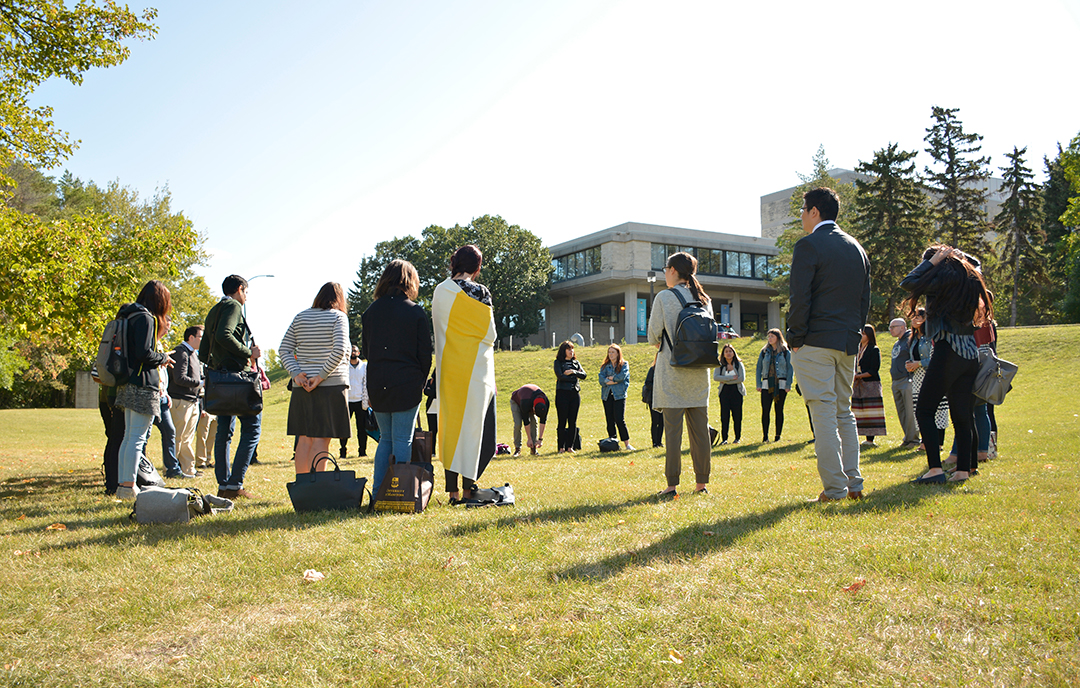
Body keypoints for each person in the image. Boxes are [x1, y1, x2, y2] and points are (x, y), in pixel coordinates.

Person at [787, 187, 871, 502]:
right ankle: (854, 484)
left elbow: (800, 297)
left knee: (822, 413)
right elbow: (864, 300)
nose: (801, 216)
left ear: (814, 212)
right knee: (843, 413)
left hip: (814, 342)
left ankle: (835, 489)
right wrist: (854, 335)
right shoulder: (857, 248)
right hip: (846, 343)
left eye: (803, 210)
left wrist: (795, 337)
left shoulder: (809, 245)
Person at [901, 245, 992, 484]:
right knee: (962, 414)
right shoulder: (970, 280)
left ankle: (934, 469)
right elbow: (977, 263)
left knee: (924, 410)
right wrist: (958, 255)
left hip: (946, 349)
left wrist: (932, 262)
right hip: (969, 353)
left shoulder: (939, 281)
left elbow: (908, 282)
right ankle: (964, 469)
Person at [432, 245, 497, 504]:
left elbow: (439, 329)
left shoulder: (440, 291)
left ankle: (453, 492)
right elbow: (489, 333)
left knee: (450, 427)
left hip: (449, 367)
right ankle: (470, 489)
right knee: (472, 428)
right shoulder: (481, 292)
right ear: (477, 268)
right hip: (476, 369)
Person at [362, 261, 432, 496]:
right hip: (406, 382)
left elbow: (366, 351)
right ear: (410, 281)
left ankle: (377, 493)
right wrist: (420, 382)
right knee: (403, 439)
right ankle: (401, 493)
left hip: (378, 382)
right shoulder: (415, 311)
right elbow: (425, 353)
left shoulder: (370, 312)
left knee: (386, 440)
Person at [647, 251, 712, 498]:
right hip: (699, 372)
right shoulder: (705, 299)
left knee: (672, 433)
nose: (664, 272)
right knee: (700, 433)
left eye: (666, 268)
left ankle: (672, 485)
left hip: (672, 372)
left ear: (673, 270)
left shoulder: (664, 296)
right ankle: (701, 484)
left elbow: (653, 336)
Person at [200, 274, 263, 500]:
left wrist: (219, 365)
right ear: (239, 289)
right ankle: (235, 483)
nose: (246, 297)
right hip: (238, 378)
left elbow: (202, 351)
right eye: (246, 292)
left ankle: (224, 484)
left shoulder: (213, 311)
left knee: (224, 433)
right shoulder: (234, 306)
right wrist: (249, 353)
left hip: (220, 380)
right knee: (252, 428)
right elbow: (224, 335)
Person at [280, 282, 351, 475]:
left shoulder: (300, 317)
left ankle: (303, 486)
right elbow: (339, 350)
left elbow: (284, 349)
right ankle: (319, 485)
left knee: (304, 438)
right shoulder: (339, 317)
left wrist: (296, 374)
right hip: (330, 384)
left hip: (302, 386)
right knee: (322, 438)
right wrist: (320, 377)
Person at [113, 280, 174, 501]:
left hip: (128, 380)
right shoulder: (147, 318)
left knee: (129, 437)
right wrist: (163, 358)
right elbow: (145, 354)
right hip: (143, 384)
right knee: (137, 437)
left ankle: (124, 484)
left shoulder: (128, 316)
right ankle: (128, 486)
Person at [906, 308, 948, 452]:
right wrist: (911, 364)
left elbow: (938, 358)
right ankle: (925, 441)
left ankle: (938, 443)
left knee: (938, 409)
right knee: (920, 409)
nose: (913, 319)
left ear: (926, 319)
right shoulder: (914, 338)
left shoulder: (932, 336)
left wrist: (919, 363)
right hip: (917, 378)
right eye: (912, 316)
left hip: (933, 375)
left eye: (917, 316)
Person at [168, 325, 204, 477]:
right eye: (200, 337)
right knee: (177, 437)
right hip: (180, 401)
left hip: (192, 401)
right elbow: (179, 378)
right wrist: (199, 383)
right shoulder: (181, 353)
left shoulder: (193, 354)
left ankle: (188, 469)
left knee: (187, 438)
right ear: (191, 337)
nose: (203, 340)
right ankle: (172, 469)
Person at [887, 317, 921, 449]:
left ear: (902, 327)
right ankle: (907, 437)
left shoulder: (910, 339)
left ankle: (914, 439)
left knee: (910, 411)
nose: (890, 330)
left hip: (907, 379)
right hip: (896, 380)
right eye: (890, 327)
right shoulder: (898, 343)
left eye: (893, 327)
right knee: (901, 411)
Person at [755, 328, 793, 443]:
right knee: (765, 409)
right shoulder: (764, 351)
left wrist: (788, 384)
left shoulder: (785, 351)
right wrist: (758, 383)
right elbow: (759, 368)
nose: (770, 338)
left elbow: (790, 369)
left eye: (772, 336)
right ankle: (765, 436)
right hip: (767, 383)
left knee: (779, 410)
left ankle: (777, 436)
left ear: (778, 337)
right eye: (769, 336)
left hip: (781, 384)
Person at [852, 324, 886, 447]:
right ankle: (857, 436)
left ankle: (870, 439)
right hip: (858, 385)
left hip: (871, 384)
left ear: (869, 335)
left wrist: (858, 376)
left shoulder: (874, 349)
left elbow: (873, 370)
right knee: (858, 411)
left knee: (871, 411)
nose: (861, 336)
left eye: (864, 334)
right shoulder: (856, 350)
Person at [553, 341, 587, 453]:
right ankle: (561, 447)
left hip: (574, 393)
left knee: (573, 421)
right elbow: (560, 376)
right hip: (562, 394)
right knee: (562, 421)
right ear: (564, 351)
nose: (571, 351)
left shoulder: (576, 363)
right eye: (569, 349)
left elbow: (584, 375)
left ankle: (570, 447)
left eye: (572, 349)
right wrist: (574, 376)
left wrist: (572, 372)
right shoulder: (558, 363)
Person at [599, 344, 634, 450]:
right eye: (609, 352)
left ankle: (627, 444)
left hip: (619, 396)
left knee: (619, 419)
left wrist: (611, 379)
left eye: (613, 352)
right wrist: (613, 381)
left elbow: (621, 377)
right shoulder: (605, 366)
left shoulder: (624, 364)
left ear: (618, 353)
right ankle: (613, 443)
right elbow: (601, 379)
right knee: (609, 420)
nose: (611, 354)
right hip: (607, 396)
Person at [713, 343, 746, 445]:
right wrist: (731, 378)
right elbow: (716, 377)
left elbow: (741, 378)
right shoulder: (720, 365)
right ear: (723, 353)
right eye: (726, 351)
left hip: (737, 392)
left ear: (733, 353)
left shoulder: (738, 364)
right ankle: (724, 439)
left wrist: (725, 380)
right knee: (724, 416)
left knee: (737, 415)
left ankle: (737, 438)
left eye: (730, 351)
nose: (728, 353)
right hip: (724, 392)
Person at [339, 346, 369, 459]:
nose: (353, 353)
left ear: (359, 353)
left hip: (360, 401)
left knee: (361, 429)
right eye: (351, 351)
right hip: (347, 401)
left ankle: (362, 451)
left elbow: (366, 384)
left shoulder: (364, 366)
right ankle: (342, 451)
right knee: (344, 428)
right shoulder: (345, 367)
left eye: (355, 351)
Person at [510, 384, 548, 456]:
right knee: (518, 424)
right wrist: (529, 439)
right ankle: (517, 449)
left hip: (530, 399)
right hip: (517, 401)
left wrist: (540, 439)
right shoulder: (525, 403)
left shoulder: (545, 402)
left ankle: (533, 449)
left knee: (534, 422)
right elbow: (526, 422)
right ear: (533, 408)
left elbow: (543, 421)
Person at [643, 362, 664, 448]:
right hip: (653, 398)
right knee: (655, 421)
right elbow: (648, 383)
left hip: (664, 399)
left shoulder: (667, 370)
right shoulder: (653, 369)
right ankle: (654, 442)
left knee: (662, 421)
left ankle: (659, 441)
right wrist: (658, 387)